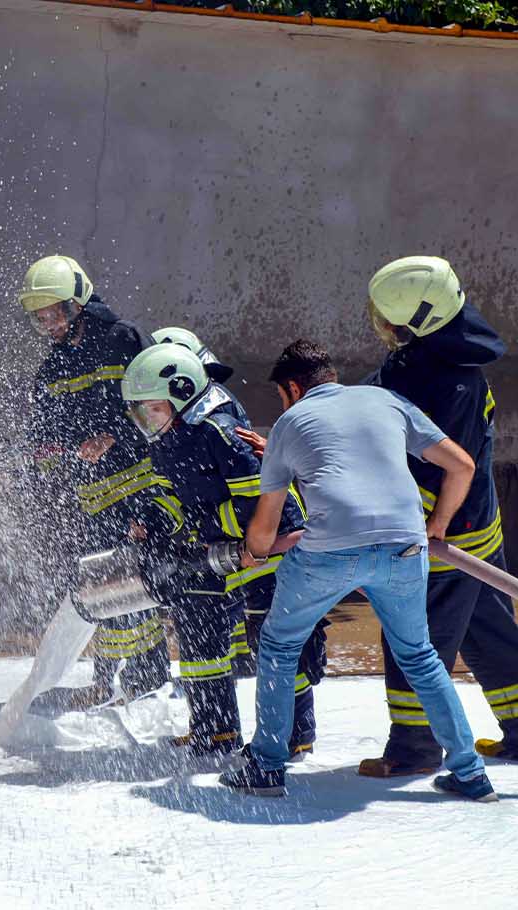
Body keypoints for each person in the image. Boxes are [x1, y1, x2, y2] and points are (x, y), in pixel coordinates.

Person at [218, 339, 498, 802]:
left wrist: (252, 554)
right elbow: (462, 465)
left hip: (328, 553)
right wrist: (437, 526)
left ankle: (266, 766)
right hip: (405, 548)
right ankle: (470, 773)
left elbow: (265, 528)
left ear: (292, 388)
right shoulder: (385, 400)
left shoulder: (291, 421)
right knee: (421, 657)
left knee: (280, 645)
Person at [359, 256, 518, 775]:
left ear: (414, 323)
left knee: (412, 635)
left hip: (445, 532)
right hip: (475, 530)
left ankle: (414, 750)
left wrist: (422, 530)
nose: (377, 324)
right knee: (486, 629)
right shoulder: (427, 363)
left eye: (384, 317)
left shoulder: (453, 386)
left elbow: (448, 469)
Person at [120, 343, 325, 761]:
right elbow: (175, 494)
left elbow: (259, 504)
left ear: (181, 394)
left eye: (153, 410)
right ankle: (214, 731)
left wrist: (200, 528)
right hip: (221, 548)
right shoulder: (167, 439)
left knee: (275, 642)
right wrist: (156, 521)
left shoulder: (220, 432)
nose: (146, 421)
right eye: (140, 413)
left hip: (271, 547)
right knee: (198, 636)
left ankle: (295, 733)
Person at [18, 255, 172, 706]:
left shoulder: (121, 340)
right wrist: (49, 457)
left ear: (79, 303)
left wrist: (115, 435)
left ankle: (147, 677)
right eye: (39, 317)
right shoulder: (52, 369)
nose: (48, 324)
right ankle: (109, 681)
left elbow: (155, 405)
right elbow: (43, 434)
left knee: (137, 580)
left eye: (55, 313)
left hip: (142, 490)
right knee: (103, 586)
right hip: (92, 499)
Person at [149, 327, 255, 676]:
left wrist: (202, 525)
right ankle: (235, 665)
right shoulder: (185, 423)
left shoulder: (213, 423)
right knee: (222, 615)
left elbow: (247, 494)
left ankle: (237, 666)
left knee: (234, 610)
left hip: (242, 537)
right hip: (227, 538)